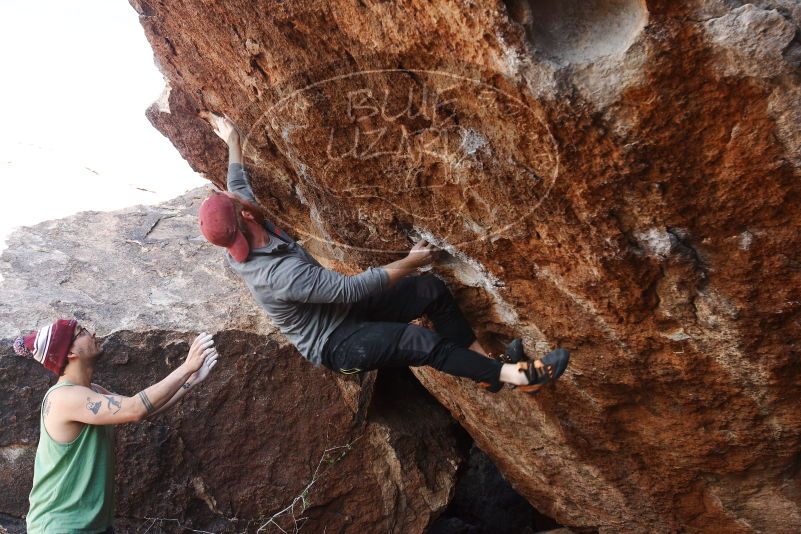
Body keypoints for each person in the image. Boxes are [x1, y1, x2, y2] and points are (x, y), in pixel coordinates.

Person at [198, 113, 568, 394]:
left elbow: (237, 182)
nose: (239, 197)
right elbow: (350, 290)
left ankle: (485, 370)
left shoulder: (245, 223)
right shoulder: (277, 275)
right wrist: (410, 262)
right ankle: (517, 377)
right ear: (245, 216)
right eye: (238, 203)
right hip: (336, 344)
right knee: (417, 341)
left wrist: (233, 137)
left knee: (431, 291)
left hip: (344, 311)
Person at [13, 319, 219, 534]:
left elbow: (145, 409)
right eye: (81, 332)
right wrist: (186, 366)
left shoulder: (93, 392)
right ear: (70, 353)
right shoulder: (64, 397)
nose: (91, 332)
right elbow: (135, 408)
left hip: (92, 526)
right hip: (61, 527)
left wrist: (191, 380)